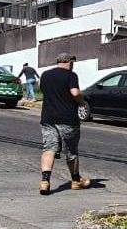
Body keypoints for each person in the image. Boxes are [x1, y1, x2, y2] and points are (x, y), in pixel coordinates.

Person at [38, 53, 90, 195]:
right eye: (72, 63)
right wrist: (82, 101)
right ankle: (75, 181)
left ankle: (45, 181)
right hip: (67, 118)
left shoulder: (45, 75)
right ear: (69, 62)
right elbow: (74, 93)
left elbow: (43, 90)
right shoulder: (71, 75)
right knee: (71, 150)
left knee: (49, 148)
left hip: (48, 118)